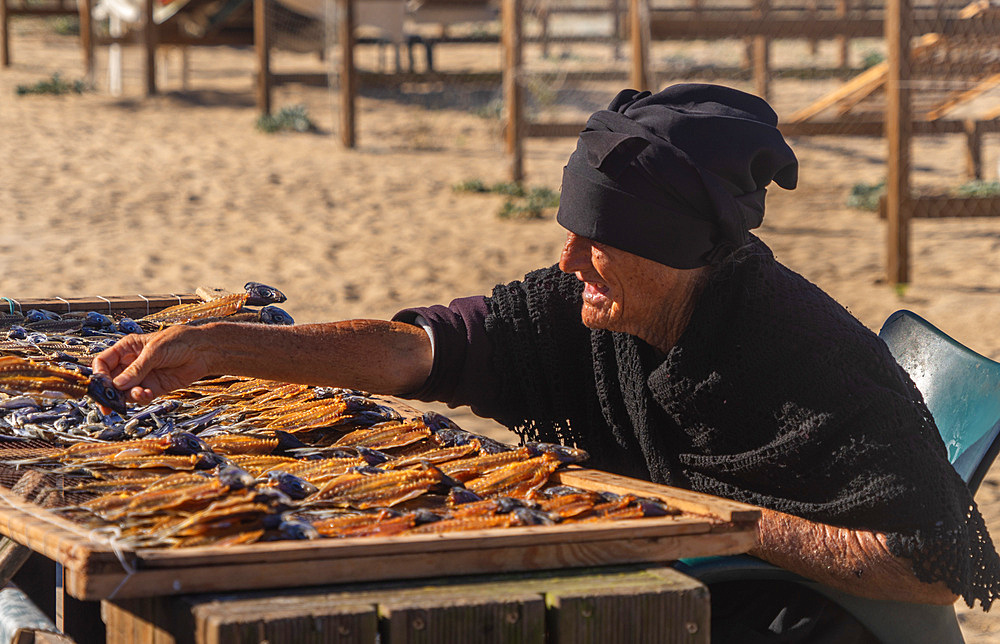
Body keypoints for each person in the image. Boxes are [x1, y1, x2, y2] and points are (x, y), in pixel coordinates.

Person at [94, 84, 1000, 639]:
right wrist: (228, 348)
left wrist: (698, 523)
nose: (568, 264)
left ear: (675, 251)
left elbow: (926, 562)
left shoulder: (794, 356)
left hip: (827, 623)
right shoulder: (591, 311)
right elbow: (421, 350)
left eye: (594, 241)